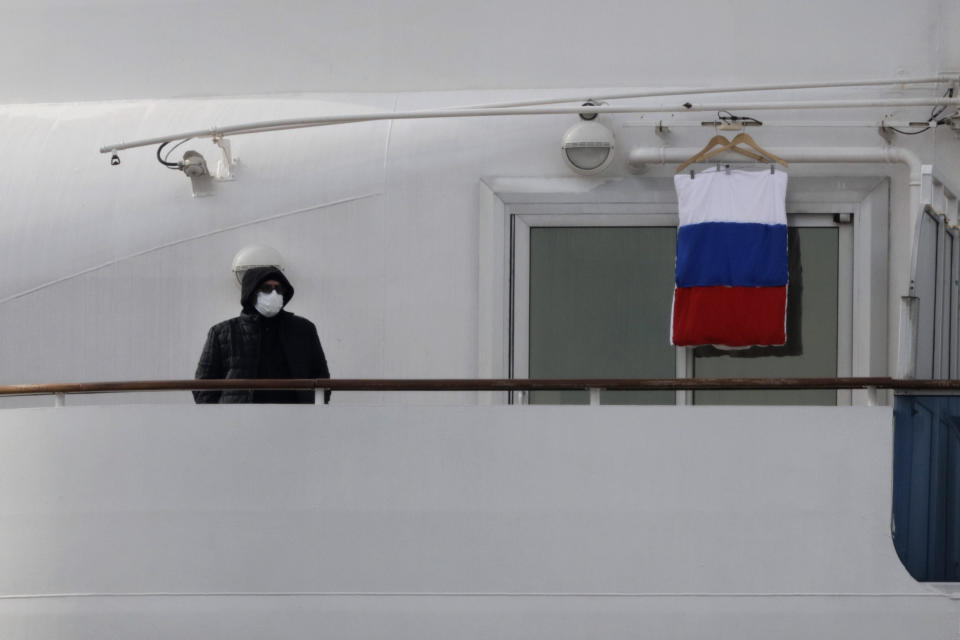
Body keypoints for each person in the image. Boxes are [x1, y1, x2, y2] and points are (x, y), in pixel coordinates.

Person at [193, 266, 331, 404]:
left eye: (278, 289)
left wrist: (313, 414)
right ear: (251, 293)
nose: (274, 293)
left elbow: (322, 377)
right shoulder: (222, 333)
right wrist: (220, 418)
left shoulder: (304, 330)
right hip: (239, 420)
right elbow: (203, 385)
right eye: (266, 288)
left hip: (295, 418)